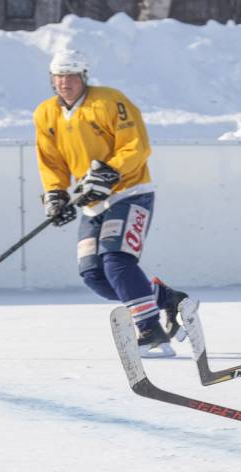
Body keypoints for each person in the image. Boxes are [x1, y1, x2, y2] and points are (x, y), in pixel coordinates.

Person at [33, 49, 188, 357]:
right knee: (95, 276)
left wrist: (110, 171)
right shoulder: (45, 113)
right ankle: (166, 298)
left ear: (83, 76)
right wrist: (55, 193)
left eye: (71, 75)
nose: (65, 82)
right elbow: (50, 161)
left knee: (116, 260)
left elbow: (136, 145)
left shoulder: (109, 101)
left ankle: (151, 331)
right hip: (92, 202)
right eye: (59, 76)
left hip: (130, 192)